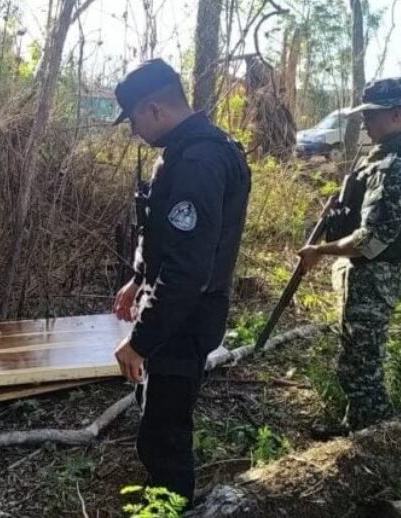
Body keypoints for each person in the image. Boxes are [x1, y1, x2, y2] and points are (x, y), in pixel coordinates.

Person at [111, 58, 251, 508]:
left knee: (164, 431)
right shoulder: (181, 153)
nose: (133, 130)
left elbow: (189, 269)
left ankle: (170, 504)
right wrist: (137, 279)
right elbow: (163, 236)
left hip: (185, 315)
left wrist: (142, 340)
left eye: (133, 119)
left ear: (154, 109)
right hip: (175, 308)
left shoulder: (199, 160)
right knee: (157, 410)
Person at [298, 77, 401, 436]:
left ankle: (371, 441)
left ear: (395, 115)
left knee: (363, 366)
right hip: (371, 276)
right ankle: (356, 427)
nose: (364, 123)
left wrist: (320, 251)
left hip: (373, 277)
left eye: (371, 116)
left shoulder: (397, 167)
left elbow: (371, 240)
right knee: (359, 359)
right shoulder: (392, 158)